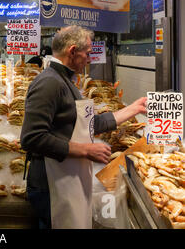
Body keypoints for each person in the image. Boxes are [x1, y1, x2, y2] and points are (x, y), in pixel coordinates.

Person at [20, 25, 147, 229]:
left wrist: (133, 109)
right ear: (72, 51)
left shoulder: (65, 80)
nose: (89, 59)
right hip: (50, 184)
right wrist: (86, 150)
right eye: (87, 53)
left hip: (64, 177)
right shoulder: (49, 83)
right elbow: (31, 138)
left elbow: (89, 124)